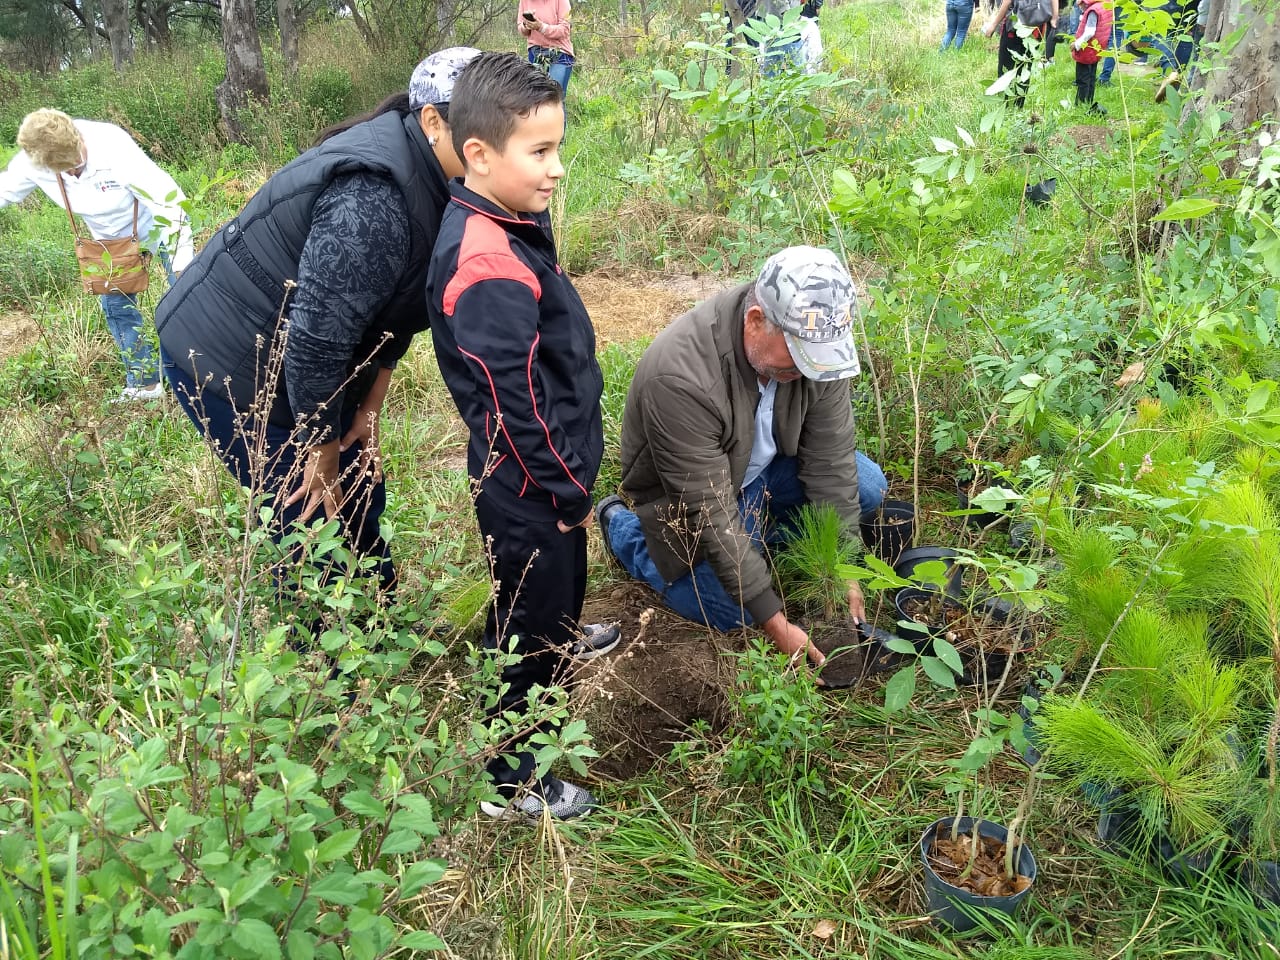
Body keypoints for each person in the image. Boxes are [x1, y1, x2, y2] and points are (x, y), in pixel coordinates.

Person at [155, 48, 481, 599]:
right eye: (483, 126)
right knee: (306, 507)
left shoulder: (435, 175)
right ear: (433, 121)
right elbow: (315, 341)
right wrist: (321, 448)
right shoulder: (373, 200)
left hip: (306, 356)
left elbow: (390, 313)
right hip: (225, 358)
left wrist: (369, 411)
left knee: (358, 485)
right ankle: (324, 659)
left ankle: (378, 623)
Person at [425, 52, 604, 821]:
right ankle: (513, 780)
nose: (557, 168)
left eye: (558, 147)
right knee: (527, 622)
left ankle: (560, 630)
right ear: (478, 154)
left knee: (547, 595)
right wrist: (568, 492)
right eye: (540, 151)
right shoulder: (487, 262)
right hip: (530, 487)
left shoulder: (510, 217)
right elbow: (515, 405)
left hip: (538, 480)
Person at [595, 246, 889, 671]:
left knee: (868, 486)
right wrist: (774, 622)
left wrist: (844, 566)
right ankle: (624, 530)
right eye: (797, 361)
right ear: (756, 322)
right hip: (691, 498)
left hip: (764, 472)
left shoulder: (816, 352)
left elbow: (830, 461)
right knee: (730, 611)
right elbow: (710, 513)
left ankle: (758, 539)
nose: (809, 372)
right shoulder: (680, 376)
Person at [0, 109, 192, 402]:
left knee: (189, 297)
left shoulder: (111, 144)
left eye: (77, 162)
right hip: (109, 239)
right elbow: (5, 190)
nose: (74, 170)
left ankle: (203, 373)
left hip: (154, 224)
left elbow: (167, 202)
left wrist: (181, 265)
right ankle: (145, 384)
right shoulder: (33, 160)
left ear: (77, 137)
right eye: (65, 170)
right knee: (116, 308)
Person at [984, 0, 1058, 107]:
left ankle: (1003, 102)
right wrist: (1054, 18)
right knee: (1025, 68)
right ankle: (1019, 105)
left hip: (1014, 29)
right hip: (1035, 29)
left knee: (1005, 67)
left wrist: (993, 25)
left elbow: (1007, 2)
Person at [517, 0, 575, 95]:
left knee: (555, 97)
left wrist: (541, 27)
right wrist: (526, 25)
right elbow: (521, 28)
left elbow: (564, 29)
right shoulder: (524, 1)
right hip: (536, 53)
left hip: (560, 53)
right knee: (537, 97)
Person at [1071, 0, 1113, 113]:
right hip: (1097, 48)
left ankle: (1080, 105)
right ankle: (1088, 102)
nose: (1080, 8)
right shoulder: (1104, 5)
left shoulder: (1093, 11)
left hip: (1087, 49)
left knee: (1083, 79)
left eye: (1081, 5)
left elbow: (1090, 31)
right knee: (1091, 77)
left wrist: (1077, 44)